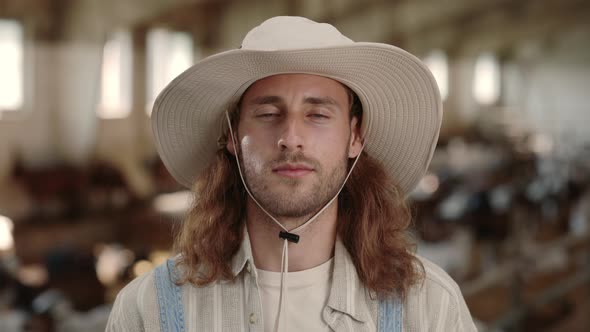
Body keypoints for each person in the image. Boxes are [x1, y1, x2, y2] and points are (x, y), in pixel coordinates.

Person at [106, 16, 477, 331]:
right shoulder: (148, 310)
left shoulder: (429, 309)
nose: (290, 138)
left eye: (317, 115)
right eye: (268, 114)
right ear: (233, 136)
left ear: (355, 137)